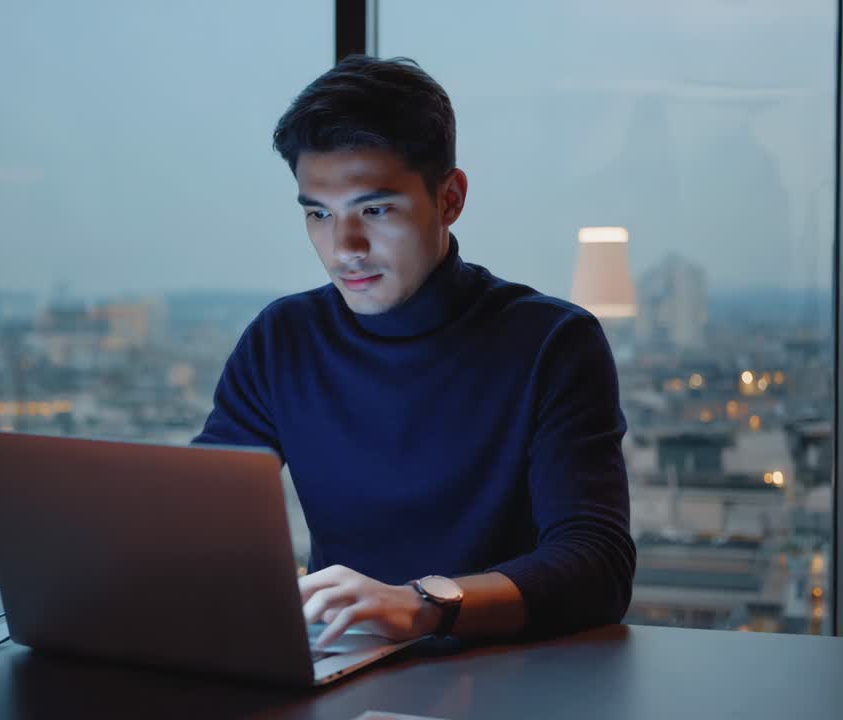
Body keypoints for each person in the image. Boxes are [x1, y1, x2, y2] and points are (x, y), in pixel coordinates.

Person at [194, 55, 635, 649]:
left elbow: (598, 567)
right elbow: (199, 519)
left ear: (450, 199)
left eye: (375, 210)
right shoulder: (283, 339)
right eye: (319, 214)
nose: (344, 247)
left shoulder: (552, 341)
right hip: (341, 660)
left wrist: (422, 605)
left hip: (510, 669)